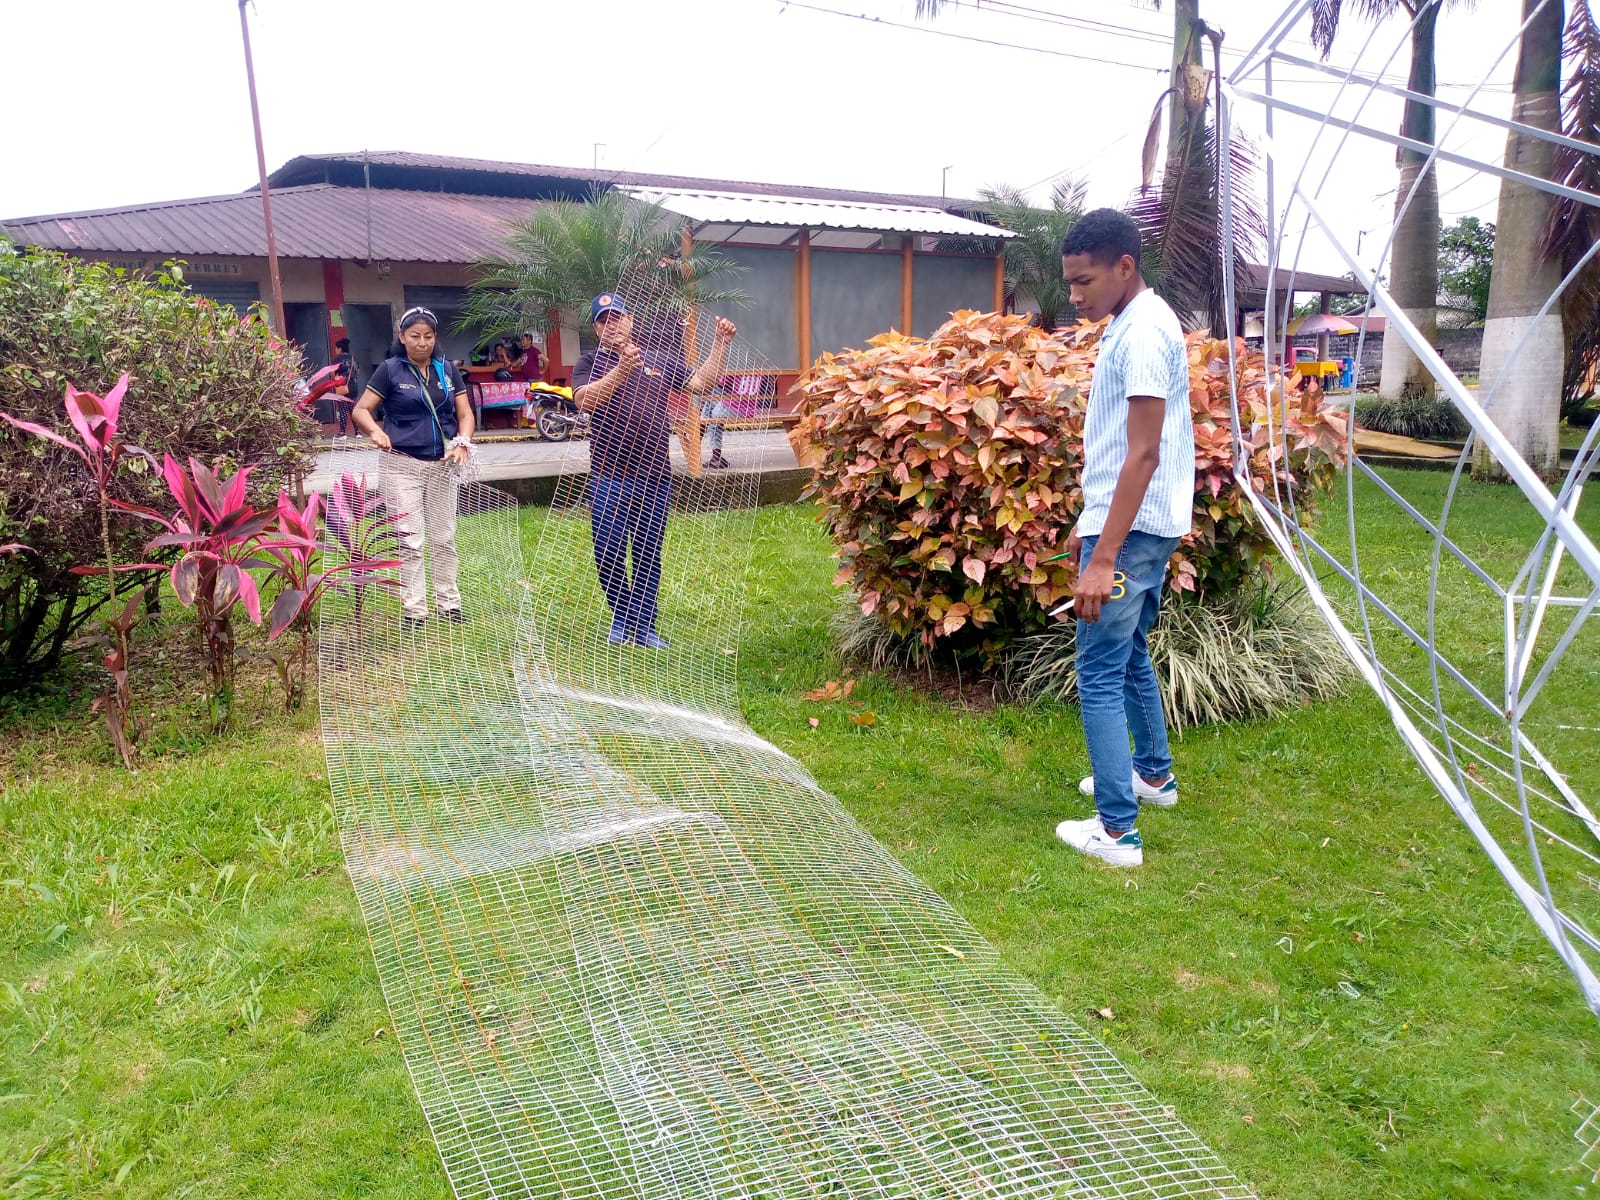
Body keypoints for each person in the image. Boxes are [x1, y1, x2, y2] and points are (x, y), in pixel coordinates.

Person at [1051, 209, 1194, 869]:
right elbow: (1124, 448)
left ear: (1124, 266)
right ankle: (1152, 776)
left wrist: (1102, 555)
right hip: (1136, 524)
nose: (1075, 296)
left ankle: (1116, 832)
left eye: (1084, 281)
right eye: (1070, 283)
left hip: (1130, 532)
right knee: (1129, 649)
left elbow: (1143, 453)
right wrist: (1093, 530)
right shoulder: (1138, 320)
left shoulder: (1140, 334)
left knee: (1099, 669)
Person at [571, 292, 735, 648]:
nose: (611, 325)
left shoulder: (659, 359)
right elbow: (585, 401)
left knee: (648, 553)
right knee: (608, 552)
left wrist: (720, 344)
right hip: (609, 477)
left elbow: (701, 384)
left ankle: (645, 627)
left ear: (630, 320)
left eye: (617, 317)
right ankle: (622, 617)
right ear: (596, 329)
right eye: (603, 321)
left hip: (655, 477)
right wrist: (621, 371)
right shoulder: (588, 362)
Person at [350, 306, 475, 629]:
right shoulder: (390, 370)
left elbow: (465, 414)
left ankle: (449, 604)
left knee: (444, 537)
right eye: (415, 336)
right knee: (409, 540)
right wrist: (375, 432)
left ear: (435, 338)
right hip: (400, 466)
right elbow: (361, 410)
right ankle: (415, 610)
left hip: (442, 467)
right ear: (402, 337)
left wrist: (462, 441)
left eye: (428, 336)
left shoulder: (447, 370)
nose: (422, 342)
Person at [332, 337, 358, 437]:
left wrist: (335, 377)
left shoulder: (338, 359)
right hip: (353, 386)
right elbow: (357, 371)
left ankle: (343, 433)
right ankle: (358, 432)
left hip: (342, 387)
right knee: (353, 410)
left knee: (343, 409)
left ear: (340, 348)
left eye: (336, 348)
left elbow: (332, 372)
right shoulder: (354, 358)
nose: (335, 350)